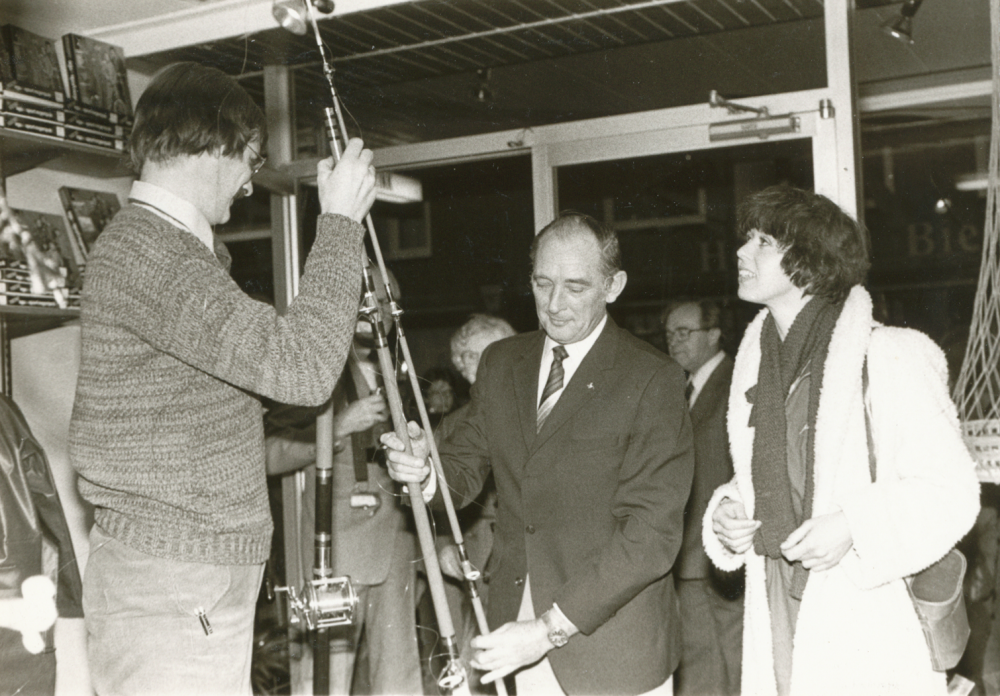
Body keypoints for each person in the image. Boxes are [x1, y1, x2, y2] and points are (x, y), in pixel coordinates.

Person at [69, 61, 377, 695]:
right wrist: (340, 222)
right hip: (174, 587)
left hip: (184, 580)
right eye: (250, 159)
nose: (248, 184)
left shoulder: (172, 251)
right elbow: (303, 369)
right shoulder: (152, 253)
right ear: (213, 144)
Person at [384, 212, 694, 696]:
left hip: (612, 649)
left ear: (614, 286)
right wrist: (423, 471)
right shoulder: (503, 362)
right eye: (542, 283)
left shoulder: (652, 379)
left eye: (575, 287)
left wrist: (549, 627)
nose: (554, 305)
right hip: (513, 631)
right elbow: (462, 465)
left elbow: (650, 535)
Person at [704, 184, 981, 696]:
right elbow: (775, 479)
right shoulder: (761, 372)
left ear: (810, 262)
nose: (742, 252)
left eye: (763, 242)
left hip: (865, 618)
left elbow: (953, 492)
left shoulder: (889, 356)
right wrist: (728, 510)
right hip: (777, 608)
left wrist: (855, 525)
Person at [265, 267, 422, 696]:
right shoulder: (315, 372)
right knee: (326, 675)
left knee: (400, 672)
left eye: (389, 302)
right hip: (337, 547)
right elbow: (270, 453)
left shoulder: (401, 367)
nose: (381, 312)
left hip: (399, 541)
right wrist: (337, 428)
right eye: (369, 303)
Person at [432, 314, 516, 693]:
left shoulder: (540, 413)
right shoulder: (451, 427)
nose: (472, 364)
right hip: (478, 560)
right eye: (465, 357)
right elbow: (427, 503)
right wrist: (444, 547)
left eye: (480, 354)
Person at [663, 299, 742, 696]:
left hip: (723, 556)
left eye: (684, 332)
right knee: (700, 669)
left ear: (713, 334)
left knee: (736, 664)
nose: (674, 342)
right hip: (685, 558)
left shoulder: (738, 380)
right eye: (669, 334)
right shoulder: (677, 390)